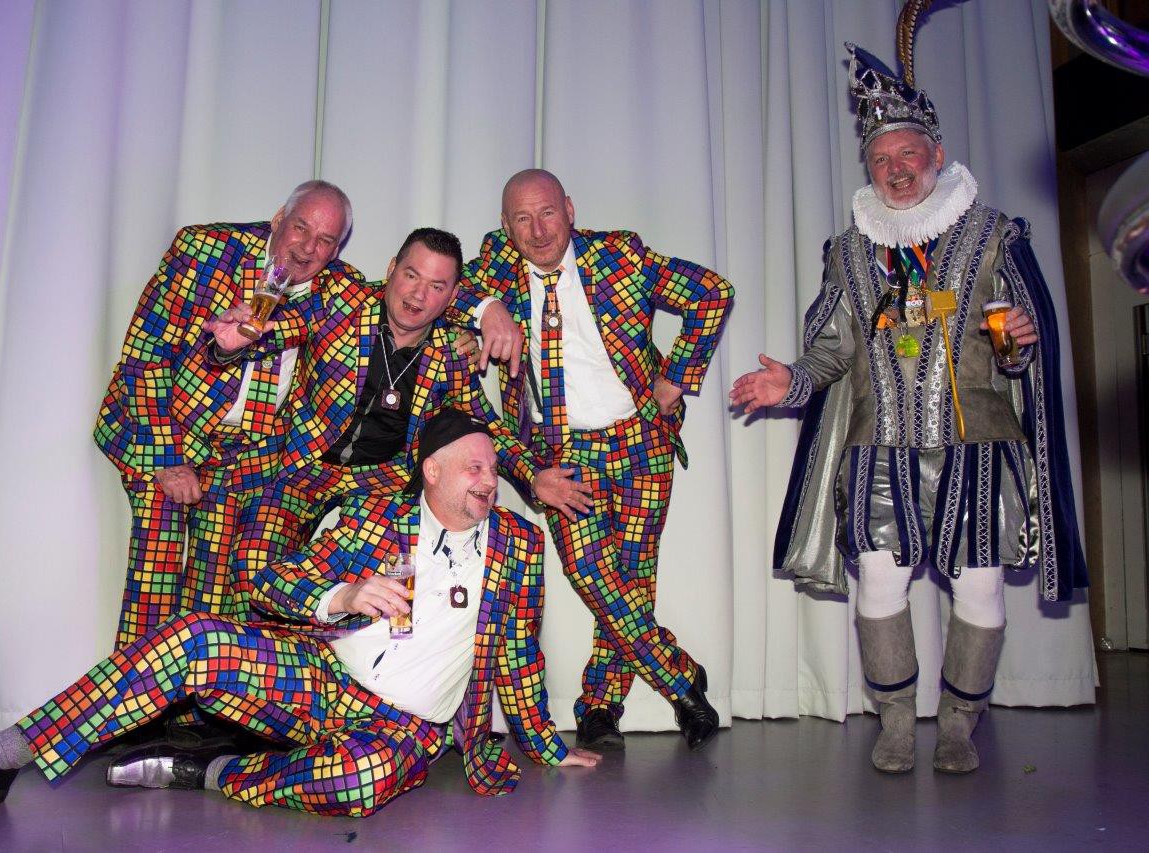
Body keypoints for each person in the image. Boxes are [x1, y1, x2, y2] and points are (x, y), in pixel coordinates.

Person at [0, 410, 601, 817]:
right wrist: (340, 596)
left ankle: (213, 770)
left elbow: (517, 654)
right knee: (192, 638)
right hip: (321, 679)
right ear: (432, 470)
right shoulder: (374, 519)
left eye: (493, 467)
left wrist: (545, 744)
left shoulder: (518, 544)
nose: (489, 480)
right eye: (474, 466)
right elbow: (275, 585)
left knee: (358, 784)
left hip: (403, 726)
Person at [730, 44, 1087, 774]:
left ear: (937, 155)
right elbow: (830, 353)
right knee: (881, 579)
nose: (895, 169)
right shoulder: (848, 253)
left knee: (981, 584)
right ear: (868, 167)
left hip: (977, 444)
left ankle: (958, 724)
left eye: (908, 154)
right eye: (881, 158)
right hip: (877, 447)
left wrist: (1020, 343)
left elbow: (1019, 350)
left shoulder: (994, 235)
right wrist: (790, 382)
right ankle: (895, 721)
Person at [458, 169, 735, 751]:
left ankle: (600, 707)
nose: (538, 231)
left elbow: (712, 292)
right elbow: (434, 289)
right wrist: (486, 308)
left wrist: (677, 377)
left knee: (629, 580)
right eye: (522, 219)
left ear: (570, 209)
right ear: (505, 226)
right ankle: (683, 680)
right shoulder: (495, 266)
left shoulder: (620, 256)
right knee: (591, 573)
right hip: (564, 454)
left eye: (547, 213)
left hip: (641, 441)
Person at [209, 227, 570, 617]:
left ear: (452, 296)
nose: (418, 294)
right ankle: (260, 647)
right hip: (303, 467)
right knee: (251, 569)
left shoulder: (451, 353)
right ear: (391, 269)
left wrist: (533, 475)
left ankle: (345, 649)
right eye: (411, 275)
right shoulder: (341, 303)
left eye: (436, 286)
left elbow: (487, 425)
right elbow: (277, 330)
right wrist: (227, 347)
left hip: (383, 482)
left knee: (385, 593)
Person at [94, 180, 360, 649]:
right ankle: (132, 693)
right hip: (163, 428)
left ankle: (190, 694)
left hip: (243, 458)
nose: (307, 248)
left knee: (212, 599)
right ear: (278, 219)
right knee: (156, 571)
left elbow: (416, 290)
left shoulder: (341, 288)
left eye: (325, 240)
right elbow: (145, 356)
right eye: (301, 228)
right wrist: (168, 458)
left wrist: (482, 313)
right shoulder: (204, 250)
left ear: (337, 249)